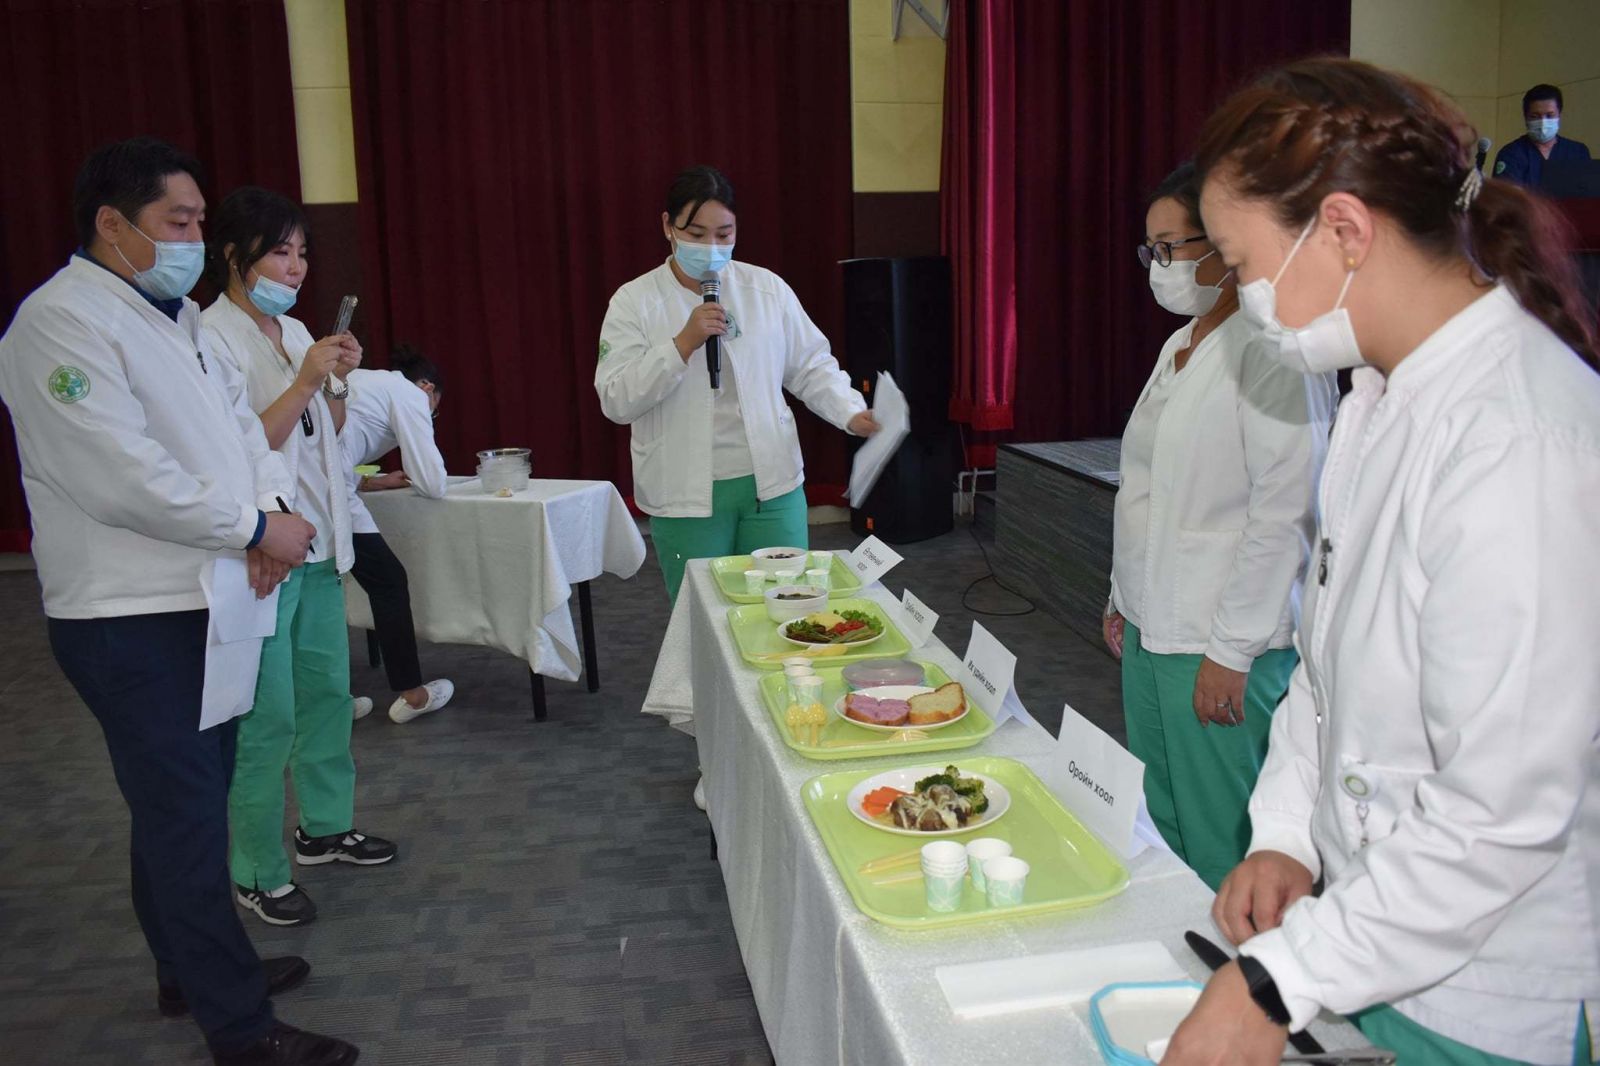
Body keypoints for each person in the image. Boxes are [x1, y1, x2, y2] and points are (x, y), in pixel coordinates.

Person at [1164, 58, 1599, 1066]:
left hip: (1490, 986)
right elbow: (1327, 671)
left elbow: (1499, 814)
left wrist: (1278, 982)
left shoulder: (1519, 441)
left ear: (1345, 232)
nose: (1244, 294)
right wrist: (1286, 833)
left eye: (1243, 261)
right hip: (1378, 937)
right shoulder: (1382, 399)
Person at [0, 138, 357, 1064]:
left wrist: (268, 516)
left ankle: (183, 971)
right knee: (185, 814)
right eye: (179, 221)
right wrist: (254, 528)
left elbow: (242, 430)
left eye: (200, 221)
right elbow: (122, 476)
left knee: (181, 806)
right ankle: (238, 1027)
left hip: (209, 595)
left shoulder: (180, 317)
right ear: (112, 224)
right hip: (127, 615)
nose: (197, 239)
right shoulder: (59, 323)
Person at [1107, 162, 1334, 891]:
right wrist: (1121, 596)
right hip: (1153, 626)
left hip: (1221, 640)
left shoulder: (1275, 350)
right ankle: (1178, 947)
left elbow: (1286, 513)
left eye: (1171, 247)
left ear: (1226, 243)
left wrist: (1232, 652)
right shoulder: (1181, 344)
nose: (1159, 266)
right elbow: (1143, 486)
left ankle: (1238, 959)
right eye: (1150, 250)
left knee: (1222, 836)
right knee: (1162, 816)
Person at [201, 186, 397, 929]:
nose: (295, 266)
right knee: (267, 718)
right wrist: (308, 378)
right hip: (262, 555)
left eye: (302, 252)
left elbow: (327, 431)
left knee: (326, 701)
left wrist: (333, 378)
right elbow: (240, 445)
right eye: (279, 251)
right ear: (234, 255)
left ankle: (324, 828)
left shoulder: (293, 330)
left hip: (317, 547)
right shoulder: (212, 338)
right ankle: (256, 869)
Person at [594, 165, 879, 603]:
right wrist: (682, 344)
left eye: (723, 234)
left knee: (788, 605)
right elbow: (616, 399)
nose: (711, 247)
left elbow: (810, 365)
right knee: (703, 613)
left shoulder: (765, 289)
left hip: (772, 485)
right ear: (667, 226)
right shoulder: (635, 300)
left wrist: (851, 412)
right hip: (685, 493)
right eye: (696, 234)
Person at [341, 344, 454, 724]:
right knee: (388, 582)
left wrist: (373, 481)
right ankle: (413, 694)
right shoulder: (409, 394)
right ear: (427, 388)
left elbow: (336, 445)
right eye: (435, 407)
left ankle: (324, 700)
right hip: (328, 496)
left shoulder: (366, 382)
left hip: (306, 487)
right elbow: (432, 482)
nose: (432, 412)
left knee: (313, 594)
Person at [1492, 83, 1592, 187]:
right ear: (1525, 117)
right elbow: (1505, 194)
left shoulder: (1577, 152)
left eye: (1549, 115)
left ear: (1559, 115)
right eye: (1535, 116)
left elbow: (1586, 190)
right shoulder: (1511, 154)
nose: (1543, 122)